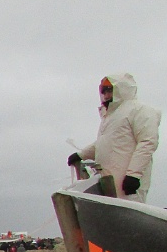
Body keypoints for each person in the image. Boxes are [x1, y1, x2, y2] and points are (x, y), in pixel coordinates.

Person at [67, 73, 161, 202]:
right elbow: (105, 143)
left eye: (110, 90)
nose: (106, 95)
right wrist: (81, 155)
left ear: (122, 89)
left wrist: (133, 175)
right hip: (107, 182)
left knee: (128, 215)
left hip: (127, 184)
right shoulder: (110, 116)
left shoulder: (141, 110)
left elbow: (147, 142)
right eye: (103, 91)